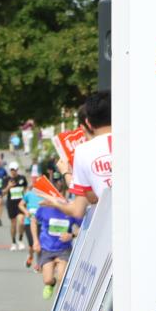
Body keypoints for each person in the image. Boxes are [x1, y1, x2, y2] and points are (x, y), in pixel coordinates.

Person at [46, 91, 112, 219]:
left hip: (108, 226)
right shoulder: (135, 142)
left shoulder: (83, 151)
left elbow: (86, 202)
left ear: (87, 123)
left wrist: (66, 173)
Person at [31, 194, 81, 299]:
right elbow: (33, 221)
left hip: (64, 250)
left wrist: (71, 235)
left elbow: (83, 227)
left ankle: (59, 302)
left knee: (61, 277)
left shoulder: (70, 211)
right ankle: (51, 284)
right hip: (47, 249)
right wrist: (35, 241)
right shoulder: (44, 209)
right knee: (47, 280)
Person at [4, 161, 29, 251]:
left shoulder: (22, 178)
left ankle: (20, 240)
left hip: (21, 204)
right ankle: (13, 242)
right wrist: (8, 186)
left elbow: (26, 188)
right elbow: (3, 193)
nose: (13, 171)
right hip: (11, 204)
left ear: (17, 170)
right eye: (11, 170)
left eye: (14, 169)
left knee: (21, 221)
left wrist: (26, 199)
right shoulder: (6, 179)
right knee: (13, 224)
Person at [19, 186, 44, 270]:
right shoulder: (29, 194)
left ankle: (38, 263)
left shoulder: (46, 196)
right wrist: (26, 212)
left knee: (39, 244)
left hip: (41, 223)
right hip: (29, 222)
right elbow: (21, 205)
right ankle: (30, 256)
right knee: (31, 244)